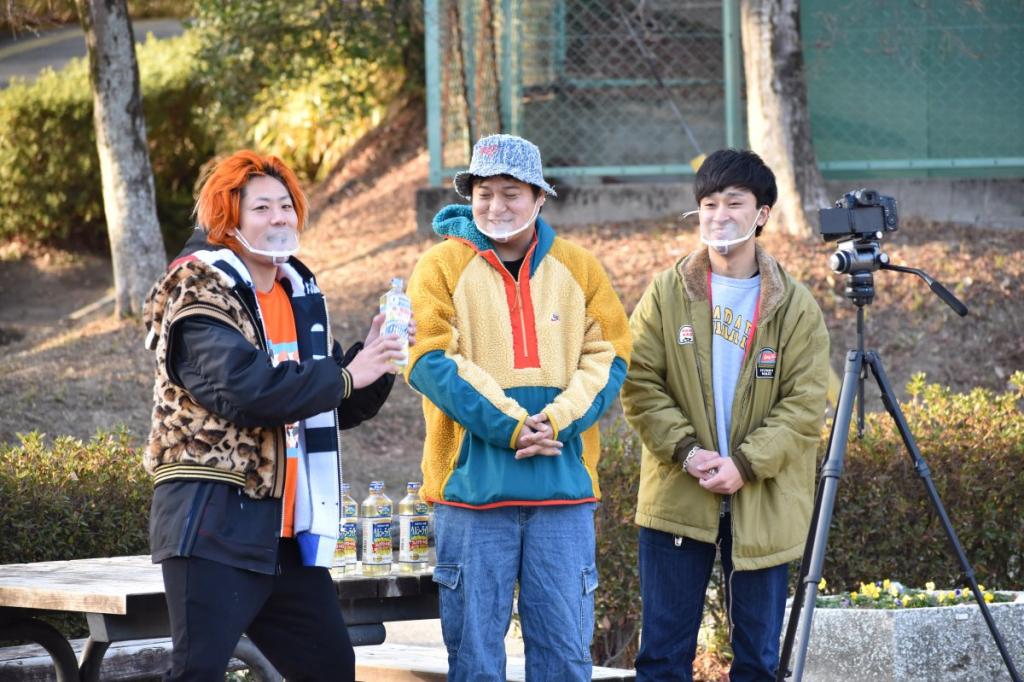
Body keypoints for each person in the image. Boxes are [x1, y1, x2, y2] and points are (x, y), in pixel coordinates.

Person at [142, 150, 411, 681]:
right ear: (228, 218)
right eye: (261, 207)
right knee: (196, 672)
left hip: (288, 537)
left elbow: (333, 402)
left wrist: (378, 358)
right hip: (213, 525)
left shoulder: (297, 292)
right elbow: (246, 390)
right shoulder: (195, 287)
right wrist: (348, 373)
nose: (280, 217)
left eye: (286, 205)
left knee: (330, 668)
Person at [406, 134, 631, 681]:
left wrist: (555, 421)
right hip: (470, 493)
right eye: (484, 192)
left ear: (539, 198)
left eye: (511, 193)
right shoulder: (438, 266)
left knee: (564, 659)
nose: (496, 205)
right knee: (476, 660)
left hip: (563, 490)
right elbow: (428, 359)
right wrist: (511, 426)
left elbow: (610, 354)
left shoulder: (579, 267)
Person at [620, 149, 830, 681]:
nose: (718, 215)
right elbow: (639, 383)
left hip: (762, 500)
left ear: (761, 214)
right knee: (663, 657)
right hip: (677, 496)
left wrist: (745, 463)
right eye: (708, 204)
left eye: (733, 202)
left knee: (759, 661)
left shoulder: (795, 305)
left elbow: (805, 406)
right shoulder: (667, 293)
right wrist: (689, 453)